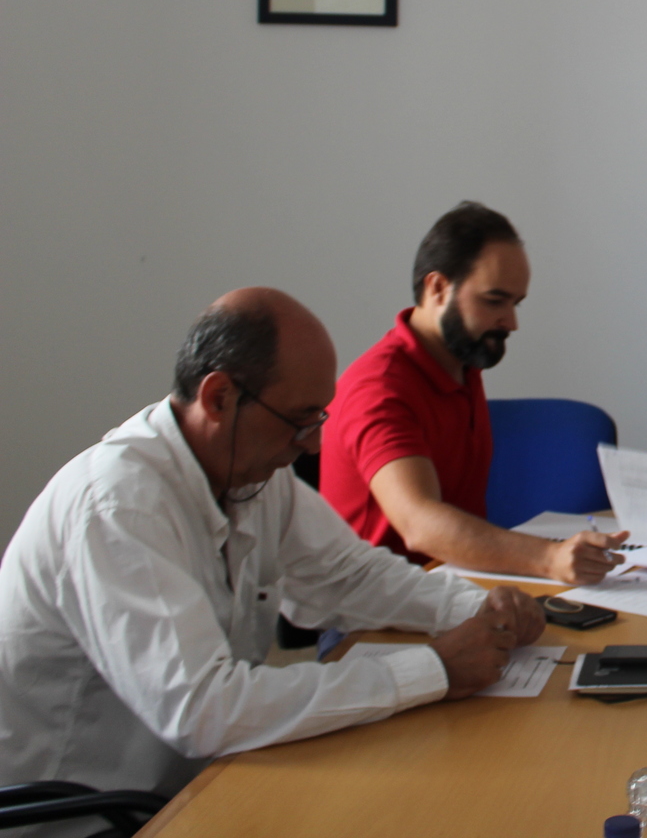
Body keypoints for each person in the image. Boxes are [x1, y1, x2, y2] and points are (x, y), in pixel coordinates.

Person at [0, 289, 546, 809]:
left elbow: (348, 574)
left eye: (319, 417)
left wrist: (480, 609)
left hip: (202, 779)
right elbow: (204, 709)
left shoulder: (249, 472)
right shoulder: (118, 506)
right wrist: (431, 670)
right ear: (219, 397)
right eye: (299, 419)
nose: (313, 444)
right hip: (91, 816)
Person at [321, 202, 626, 584]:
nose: (511, 322)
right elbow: (419, 524)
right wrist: (550, 559)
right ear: (437, 288)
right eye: (494, 301)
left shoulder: (461, 362)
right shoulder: (378, 389)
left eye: (515, 303)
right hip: (372, 608)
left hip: (448, 586)